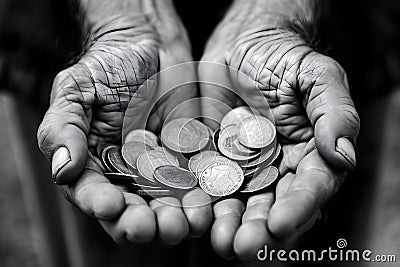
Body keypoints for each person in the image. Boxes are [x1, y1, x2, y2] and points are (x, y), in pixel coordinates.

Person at [37, 0, 360, 261]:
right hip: (76, 25)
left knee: (314, 239)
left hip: (325, 26)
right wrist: (125, 16)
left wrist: (272, 11)